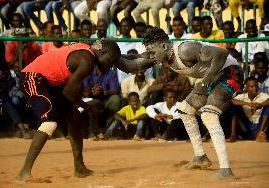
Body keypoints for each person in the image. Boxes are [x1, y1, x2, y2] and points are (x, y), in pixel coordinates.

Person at [16, 39, 155, 180]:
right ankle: (24, 171)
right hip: (32, 78)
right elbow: (68, 93)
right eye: (110, 61)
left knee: (75, 117)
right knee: (50, 122)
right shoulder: (87, 60)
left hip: (47, 81)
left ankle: (79, 167)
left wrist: (149, 56)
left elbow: (126, 60)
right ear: (102, 52)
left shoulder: (91, 48)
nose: (110, 66)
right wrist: (87, 107)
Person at [142, 27, 244, 178]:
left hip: (231, 73)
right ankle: (201, 157)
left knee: (209, 116)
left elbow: (222, 53)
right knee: (184, 110)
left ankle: (225, 169)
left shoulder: (185, 49)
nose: (150, 56)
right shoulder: (166, 56)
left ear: (164, 46)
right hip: (214, 77)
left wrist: (205, 82)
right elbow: (132, 63)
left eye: (152, 52)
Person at [227, 77, 269, 142]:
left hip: (259, 126)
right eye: (252, 86)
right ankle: (233, 135)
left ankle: (260, 135)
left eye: (256, 86)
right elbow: (232, 100)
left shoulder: (262, 95)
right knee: (235, 107)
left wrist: (259, 105)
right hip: (246, 127)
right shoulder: (242, 96)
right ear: (246, 87)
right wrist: (248, 104)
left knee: (268, 108)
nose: (255, 88)